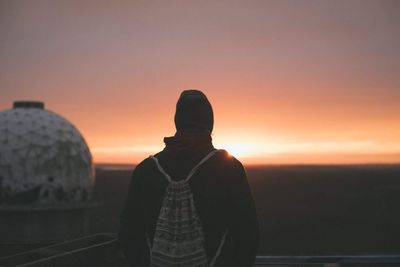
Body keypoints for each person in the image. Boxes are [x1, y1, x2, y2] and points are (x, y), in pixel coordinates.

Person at [118, 90, 259, 267]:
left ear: (178, 122)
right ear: (210, 123)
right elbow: (248, 236)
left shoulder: (146, 170)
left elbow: (128, 235)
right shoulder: (228, 168)